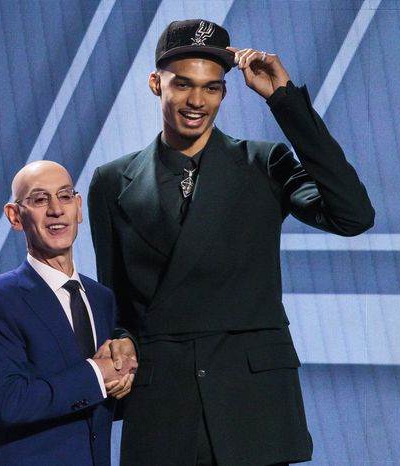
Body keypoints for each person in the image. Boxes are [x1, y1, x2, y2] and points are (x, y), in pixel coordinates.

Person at [88, 19, 375, 466]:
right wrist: (121, 339)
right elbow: (117, 301)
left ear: (224, 91)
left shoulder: (264, 163)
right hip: (163, 405)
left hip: (252, 404)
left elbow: (353, 216)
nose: (196, 101)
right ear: (154, 83)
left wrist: (285, 103)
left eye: (212, 88)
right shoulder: (110, 182)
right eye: (182, 84)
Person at [0, 160, 138, 466]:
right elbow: (9, 402)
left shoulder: (101, 298)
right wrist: (98, 374)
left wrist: (124, 377)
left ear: (79, 207)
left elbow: (97, 402)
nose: (56, 210)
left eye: (65, 196)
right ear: (15, 216)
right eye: (40, 199)